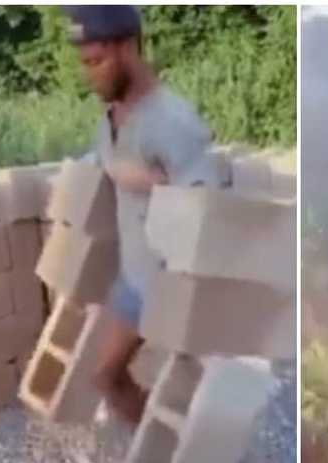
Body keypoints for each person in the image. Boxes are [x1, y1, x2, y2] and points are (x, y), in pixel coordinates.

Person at [65, 6, 222, 424]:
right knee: (105, 375)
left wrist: (154, 184)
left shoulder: (173, 121)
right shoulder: (112, 118)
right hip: (134, 278)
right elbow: (104, 161)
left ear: (129, 47)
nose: (89, 74)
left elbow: (213, 206)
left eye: (96, 61)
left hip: (171, 284)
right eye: (84, 63)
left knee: (194, 394)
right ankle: (153, 445)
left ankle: (184, 455)